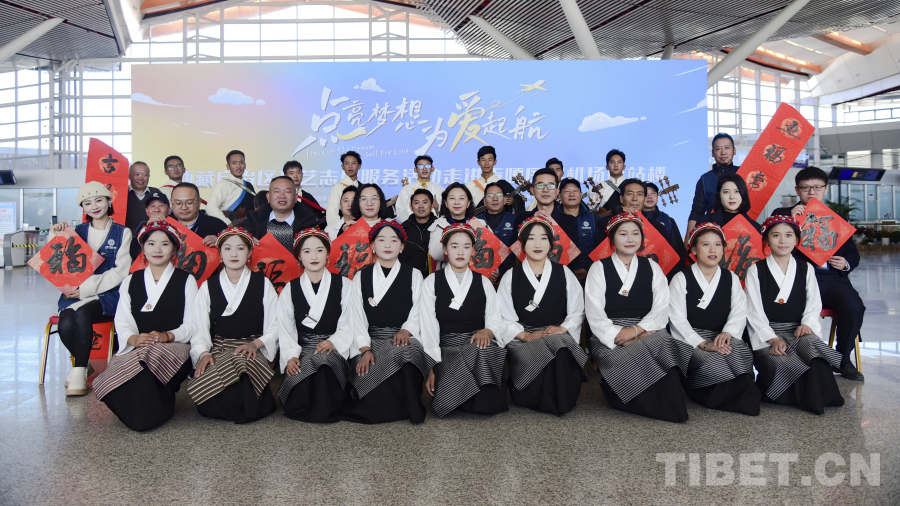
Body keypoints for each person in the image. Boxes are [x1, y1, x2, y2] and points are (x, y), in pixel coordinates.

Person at [584, 213, 691, 423]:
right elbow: (594, 311)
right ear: (612, 238)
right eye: (623, 234)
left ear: (642, 238)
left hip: (646, 329)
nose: (630, 239)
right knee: (632, 353)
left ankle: (669, 403)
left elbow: (662, 306)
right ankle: (625, 397)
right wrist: (619, 335)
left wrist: (635, 331)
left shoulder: (652, 267)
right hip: (610, 334)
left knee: (664, 343)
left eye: (635, 234)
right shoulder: (598, 268)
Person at [92, 221, 196, 431]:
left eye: (165, 244)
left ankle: (153, 414)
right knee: (117, 375)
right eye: (151, 244)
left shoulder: (187, 280)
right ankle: (141, 415)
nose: (157, 249)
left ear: (174, 249)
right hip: (138, 345)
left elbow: (193, 323)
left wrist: (167, 336)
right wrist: (134, 339)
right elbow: (123, 320)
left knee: (148, 364)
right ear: (143, 248)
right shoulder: (131, 280)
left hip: (174, 345)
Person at [771, 166, 864, 381]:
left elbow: (853, 253)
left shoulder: (837, 219)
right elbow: (770, 248)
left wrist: (846, 263)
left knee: (854, 306)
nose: (811, 192)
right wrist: (789, 222)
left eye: (817, 187)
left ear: (826, 189)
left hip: (830, 279)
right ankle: (797, 359)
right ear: (797, 190)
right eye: (806, 188)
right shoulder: (782, 215)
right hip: (795, 279)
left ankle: (842, 359)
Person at [745, 215, 844, 414]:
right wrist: (773, 339)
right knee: (782, 360)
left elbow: (814, 304)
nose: (783, 240)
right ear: (766, 239)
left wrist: (807, 324)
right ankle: (800, 396)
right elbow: (753, 311)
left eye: (789, 235)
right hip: (768, 332)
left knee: (813, 351)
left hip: (798, 329)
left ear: (797, 240)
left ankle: (823, 396)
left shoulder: (806, 268)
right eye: (776, 235)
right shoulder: (756, 270)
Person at [340, 220, 434, 424]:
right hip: (370, 340)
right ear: (372, 246)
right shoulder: (361, 276)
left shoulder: (414, 274)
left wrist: (406, 331)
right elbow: (355, 316)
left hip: (404, 338)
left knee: (406, 351)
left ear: (402, 246)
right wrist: (365, 349)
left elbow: (420, 310)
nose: (388, 245)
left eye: (394, 240)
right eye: (381, 240)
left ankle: (410, 407)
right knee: (368, 367)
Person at [497, 216, 587, 416]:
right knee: (552, 347)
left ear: (551, 243)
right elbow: (503, 317)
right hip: (523, 338)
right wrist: (526, 336)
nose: (537, 244)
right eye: (531, 238)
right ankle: (532, 395)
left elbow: (577, 310)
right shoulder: (510, 276)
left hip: (556, 333)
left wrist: (562, 328)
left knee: (561, 346)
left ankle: (562, 399)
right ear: (521, 244)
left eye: (543, 238)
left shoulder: (564, 272)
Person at [188, 227, 279, 423]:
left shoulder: (263, 283)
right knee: (206, 382)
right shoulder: (208, 286)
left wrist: (256, 344)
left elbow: (276, 324)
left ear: (249, 252)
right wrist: (204, 353)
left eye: (240, 248)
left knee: (244, 370)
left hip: (252, 346)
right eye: (228, 248)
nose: (234, 254)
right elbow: (200, 327)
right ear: (220, 253)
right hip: (220, 346)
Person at [668, 222, 760, 416]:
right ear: (694, 249)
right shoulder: (681, 278)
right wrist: (703, 344)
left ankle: (742, 393)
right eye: (706, 244)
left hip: (722, 336)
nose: (713, 250)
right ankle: (712, 394)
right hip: (692, 339)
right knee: (710, 360)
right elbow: (677, 319)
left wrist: (727, 333)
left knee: (736, 352)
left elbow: (739, 311)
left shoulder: (730, 278)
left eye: (717, 245)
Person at [48, 182, 131, 396]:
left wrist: (86, 288)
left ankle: (78, 372)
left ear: (109, 201)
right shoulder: (76, 231)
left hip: (107, 293)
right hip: (73, 293)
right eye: (87, 203)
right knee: (66, 323)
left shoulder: (122, 233)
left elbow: (120, 272)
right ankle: (84, 365)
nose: (94, 206)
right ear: (83, 208)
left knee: (83, 315)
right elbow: (58, 260)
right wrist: (54, 234)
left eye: (99, 200)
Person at [421, 223, 508, 417]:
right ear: (445, 250)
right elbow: (428, 326)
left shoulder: (483, 282)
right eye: (454, 246)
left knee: (484, 349)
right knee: (473, 353)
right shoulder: (431, 282)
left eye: (466, 246)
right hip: (447, 348)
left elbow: (495, 317)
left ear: (473, 250)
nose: (460, 252)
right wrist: (431, 367)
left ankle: (477, 401)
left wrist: (487, 331)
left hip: (476, 343)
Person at [277, 229, 355, 422]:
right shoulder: (290, 288)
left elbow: (349, 321)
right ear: (299, 256)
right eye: (307, 251)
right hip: (302, 347)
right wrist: (291, 355)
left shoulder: (344, 284)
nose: (313, 256)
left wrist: (333, 342)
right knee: (299, 375)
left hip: (332, 347)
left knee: (324, 363)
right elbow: (285, 327)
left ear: (328, 254)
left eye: (319, 250)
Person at [592, 178, 686, 281]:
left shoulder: (658, 227)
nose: (635, 198)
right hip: (613, 279)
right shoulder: (604, 223)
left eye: (640, 194)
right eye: (630, 194)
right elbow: (599, 254)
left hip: (648, 281)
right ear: (621, 198)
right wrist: (619, 215)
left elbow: (671, 260)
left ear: (645, 199)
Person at [685, 133, 740, 246]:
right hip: (713, 234)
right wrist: (688, 239)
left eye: (727, 148)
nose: (723, 152)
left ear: (734, 151)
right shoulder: (705, 180)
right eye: (718, 149)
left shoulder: (744, 174)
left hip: (741, 230)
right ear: (713, 153)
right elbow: (696, 212)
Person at [514, 168, 578, 258]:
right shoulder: (520, 218)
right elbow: (515, 253)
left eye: (550, 186)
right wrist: (531, 221)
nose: (545, 190)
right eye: (540, 185)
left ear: (557, 191)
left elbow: (573, 256)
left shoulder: (570, 221)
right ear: (532, 190)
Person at [246, 176, 322, 252]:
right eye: (277, 191)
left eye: (287, 192)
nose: (282, 196)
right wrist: (245, 240)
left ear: (295, 197)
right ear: (268, 197)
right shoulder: (252, 221)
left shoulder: (309, 223)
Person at [427, 183, 484, 269]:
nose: (457, 202)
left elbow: (492, 250)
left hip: (475, 273)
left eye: (461, 198)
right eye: (452, 198)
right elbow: (435, 255)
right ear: (446, 203)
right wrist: (448, 235)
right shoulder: (438, 225)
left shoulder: (480, 224)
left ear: (468, 203)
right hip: (446, 273)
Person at [475, 181, 516, 284]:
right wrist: (486, 272)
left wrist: (501, 272)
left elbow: (520, 251)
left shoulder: (516, 220)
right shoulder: (476, 222)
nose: (495, 198)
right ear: (484, 201)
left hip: (510, 277)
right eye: (490, 195)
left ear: (505, 199)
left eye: (499, 195)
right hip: (480, 278)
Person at [559, 177, 599, 281]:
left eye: (575, 191)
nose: (571, 194)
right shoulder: (553, 219)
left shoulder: (594, 218)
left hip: (590, 276)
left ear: (581, 195)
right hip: (560, 275)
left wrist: (587, 268)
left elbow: (600, 248)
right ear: (559, 196)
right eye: (567, 191)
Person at [465, 145, 524, 214]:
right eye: (483, 160)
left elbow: (520, 203)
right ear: (478, 162)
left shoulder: (503, 184)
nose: (487, 163)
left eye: (490, 160)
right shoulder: (470, 185)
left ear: (495, 162)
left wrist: (513, 202)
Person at [696, 174, 761, 233]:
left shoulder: (755, 227)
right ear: (719, 194)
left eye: (736, 191)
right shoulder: (703, 222)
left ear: (743, 193)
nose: (732, 197)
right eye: (726, 192)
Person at [207, 150, 256, 226]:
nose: (238, 166)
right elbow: (210, 207)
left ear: (245, 165)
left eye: (241, 162)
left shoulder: (249, 185)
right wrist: (228, 223)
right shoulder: (223, 183)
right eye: (234, 163)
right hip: (228, 228)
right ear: (228, 166)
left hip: (247, 228)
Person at [170, 182, 227, 247]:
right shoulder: (165, 224)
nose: (184, 208)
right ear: (171, 202)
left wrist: (221, 243)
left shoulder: (217, 225)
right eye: (178, 203)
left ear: (199, 202)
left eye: (189, 203)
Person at [398, 188, 436, 277]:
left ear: (432, 206)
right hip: (408, 277)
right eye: (416, 202)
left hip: (435, 278)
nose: (421, 206)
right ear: (411, 206)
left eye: (425, 202)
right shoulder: (402, 229)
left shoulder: (440, 227)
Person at [395, 155, 444, 223]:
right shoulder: (406, 190)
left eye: (428, 166)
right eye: (420, 166)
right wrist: (412, 223)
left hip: (435, 226)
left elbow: (445, 213)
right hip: (411, 226)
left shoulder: (440, 190)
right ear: (415, 170)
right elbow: (400, 210)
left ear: (432, 169)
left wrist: (437, 208)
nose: (424, 169)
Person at [128, 191, 170, 261]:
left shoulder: (175, 228)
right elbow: (134, 254)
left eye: (161, 205)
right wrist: (147, 228)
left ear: (169, 210)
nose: (156, 210)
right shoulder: (140, 227)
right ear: (147, 211)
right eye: (152, 206)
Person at [325, 151, 361, 227]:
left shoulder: (362, 188)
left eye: (353, 163)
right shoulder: (338, 187)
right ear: (343, 167)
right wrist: (340, 229)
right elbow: (332, 213)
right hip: (343, 228)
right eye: (347, 163)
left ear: (359, 166)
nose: (350, 166)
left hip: (361, 227)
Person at [125, 161, 161, 233]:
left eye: (145, 175)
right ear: (129, 176)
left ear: (149, 176)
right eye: (137, 174)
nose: (141, 178)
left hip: (150, 235)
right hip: (125, 236)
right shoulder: (123, 193)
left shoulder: (156, 193)